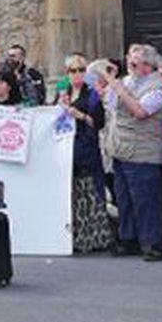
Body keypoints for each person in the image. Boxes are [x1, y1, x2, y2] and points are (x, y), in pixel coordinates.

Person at [101, 44, 162, 262]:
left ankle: (153, 243)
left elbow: (140, 111)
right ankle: (128, 238)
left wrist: (119, 88)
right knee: (124, 198)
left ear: (148, 66)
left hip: (143, 151)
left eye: (135, 61)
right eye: (129, 59)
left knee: (145, 199)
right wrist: (110, 89)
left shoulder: (157, 88)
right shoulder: (128, 81)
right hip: (121, 148)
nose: (129, 64)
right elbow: (111, 107)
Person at [60, 54, 111, 253]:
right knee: (73, 193)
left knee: (91, 191)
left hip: (87, 146)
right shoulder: (64, 93)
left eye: (82, 70)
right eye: (73, 70)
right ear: (67, 74)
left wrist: (79, 115)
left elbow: (98, 123)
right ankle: (76, 237)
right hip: (68, 147)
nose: (78, 74)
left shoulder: (91, 95)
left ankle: (95, 237)